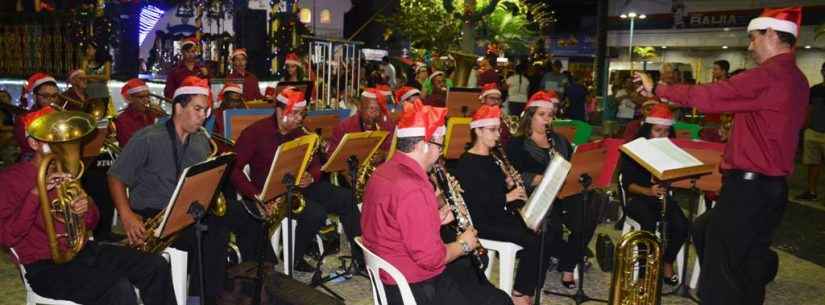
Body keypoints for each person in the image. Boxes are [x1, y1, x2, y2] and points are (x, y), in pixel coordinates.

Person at [634, 7, 808, 304]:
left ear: (770, 33)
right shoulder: (797, 78)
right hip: (771, 188)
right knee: (728, 248)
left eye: (753, 38)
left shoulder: (770, 74)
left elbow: (715, 95)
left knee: (722, 273)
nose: (750, 46)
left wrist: (659, 88)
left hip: (749, 188)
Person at [1, 108, 176, 305]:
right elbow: (7, 236)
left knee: (155, 265)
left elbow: (92, 223)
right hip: (45, 267)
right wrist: (36, 194)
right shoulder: (9, 180)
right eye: (51, 137)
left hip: (84, 252)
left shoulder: (66, 172)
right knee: (117, 288)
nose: (60, 143)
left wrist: (85, 208)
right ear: (33, 143)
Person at [361, 100, 510, 305]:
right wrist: (464, 245)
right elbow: (432, 259)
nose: (441, 152)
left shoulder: (383, 171)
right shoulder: (414, 187)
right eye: (439, 144)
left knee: (470, 279)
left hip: (391, 273)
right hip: (416, 286)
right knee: (499, 300)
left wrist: (433, 220)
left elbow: (394, 223)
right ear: (423, 145)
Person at [108, 76, 227, 305]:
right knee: (203, 237)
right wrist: (127, 215)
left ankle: (199, 298)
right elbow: (115, 176)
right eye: (198, 109)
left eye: (207, 110)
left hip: (183, 210)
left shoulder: (201, 140)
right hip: (152, 211)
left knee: (218, 229)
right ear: (178, 107)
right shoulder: (147, 138)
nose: (204, 116)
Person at [229, 87, 364, 272]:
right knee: (316, 214)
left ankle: (361, 260)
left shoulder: (301, 133)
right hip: (269, 194)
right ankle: (295, 257)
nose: (300, 119)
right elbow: (233, 168)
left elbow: (316, 165)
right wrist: (254, 194)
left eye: (302, 114)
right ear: (279, 110)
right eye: (295, 114)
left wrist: (312, 176)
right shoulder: (255, 132)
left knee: (346, 198)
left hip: (301, 187)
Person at [453, 104, 555, 305]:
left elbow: (495, 191)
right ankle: (519, 293)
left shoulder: (493, 158)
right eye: (491, 130)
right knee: (532, 239)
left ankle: (528, 286)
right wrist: (506, 198)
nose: (497, 135)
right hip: (481, 222)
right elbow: (473, 201)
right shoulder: (467, 162)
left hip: (499, 215)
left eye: (498, 129)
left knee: (545, 231)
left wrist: (509, 185)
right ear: (478, 131)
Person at [505, 90, 598, 291]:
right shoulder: (517, 143)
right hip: (535, 196)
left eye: (550, 115)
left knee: (588, 212)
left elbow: (573, 166)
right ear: (530, 116)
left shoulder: (560, 141)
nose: (547, 120)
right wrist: (538, 179)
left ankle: (567, 264)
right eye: (541, 115)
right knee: (552, 227)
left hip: (562, 192)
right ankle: (567, 257)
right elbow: (512, 176)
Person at [619, 104, 689, 285]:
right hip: (638, 197)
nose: (662, 135)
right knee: (647, 224)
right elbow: (627, 184)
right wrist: (648, 191)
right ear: (647, 130)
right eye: (658, 130)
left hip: (662, 198)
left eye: (666, 131)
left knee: (682, 225)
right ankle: (643, 273)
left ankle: (667, 262)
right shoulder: (633, 150)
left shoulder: (671, 149)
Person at [327, 88, 396, 158]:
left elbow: (396, 151)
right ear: (360, 107)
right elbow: (330, 155)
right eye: (371, 109)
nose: (376, 114)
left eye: (378, 109)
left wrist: (384, 155)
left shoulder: (387, 125)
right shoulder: (344, 127)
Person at [795, 62, 825, 202]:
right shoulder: (815, 90)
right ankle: (811, 191)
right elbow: (808, 110)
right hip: (812, 132)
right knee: (812, 164)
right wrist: (804, 128)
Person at [14, 73, 60, 160]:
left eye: (54, 96)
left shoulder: (59, 114)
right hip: (33, 159)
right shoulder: (23, 118)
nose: (51, 100)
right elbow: (27, 146)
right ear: (35, 97)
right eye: (45, 96)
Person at [114, 78, 157, 147]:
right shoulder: (122, 120)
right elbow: (130, 146)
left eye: (147, 96)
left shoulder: (151, 113)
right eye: (141, 97)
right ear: (130, 98)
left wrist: (162, 119)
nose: (147, 100)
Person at [81, 41, 113, 115]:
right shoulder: (85, 61)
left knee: (102, 115)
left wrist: (89, 76)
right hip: (89, 91)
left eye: (89, 48)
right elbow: (83, 76)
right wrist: (99, 78)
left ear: (96, 50)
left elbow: (107, 77)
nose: (87, 51)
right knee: (88, 114)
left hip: (102, 92)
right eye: (87, 49)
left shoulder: (106, 62)